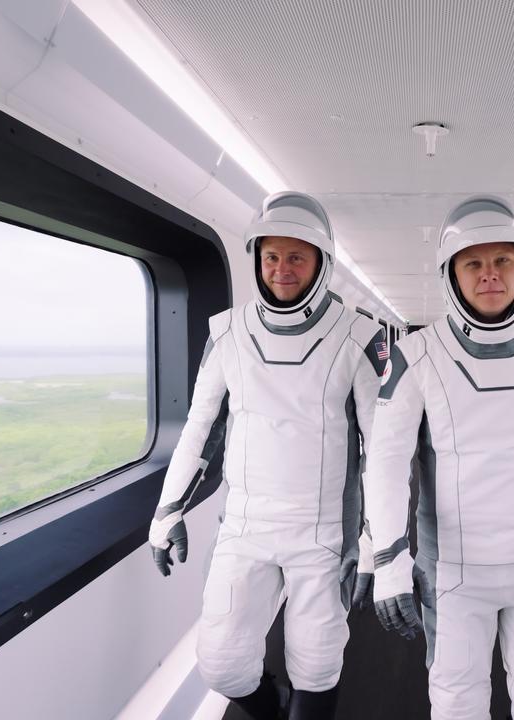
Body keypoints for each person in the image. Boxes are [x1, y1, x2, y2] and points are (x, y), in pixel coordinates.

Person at [360, 196, 514, 719]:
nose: (490, 275)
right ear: (452, 275)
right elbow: (385, 463)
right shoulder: (416, 355)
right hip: (452, 574)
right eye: (473, 263)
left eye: (503, 261)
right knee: (457, 707)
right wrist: (389, 561)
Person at [148, 191, 387, 720]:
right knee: (222, 665)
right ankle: (271, 704)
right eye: (271, 256)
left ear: (321, 263)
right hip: (246, 527)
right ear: (257, 258)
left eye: (296, 256)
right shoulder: (227, 332)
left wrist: (376, 544)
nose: (282, 269)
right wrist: (168, 510)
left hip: (324, 534)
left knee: (318, 667)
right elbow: (199, 427)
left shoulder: (358, 338)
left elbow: (383, 453)